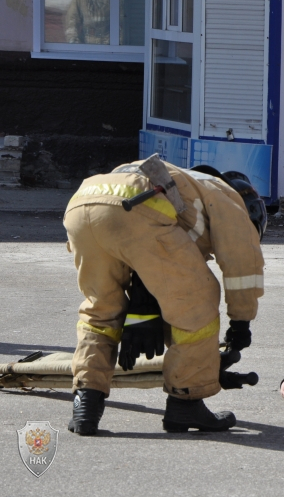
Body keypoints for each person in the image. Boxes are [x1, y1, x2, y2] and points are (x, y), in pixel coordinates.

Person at [64, 157, 267, 435]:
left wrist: (142, 312)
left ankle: (86, 401)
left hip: (82, 202)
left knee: (101, 310)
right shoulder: (227, 197)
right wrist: (241, 323)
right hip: (136, 205)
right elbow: (243, 263)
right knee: (196, 306)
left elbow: (142, 250)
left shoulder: (186, 183)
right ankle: (186, 402)